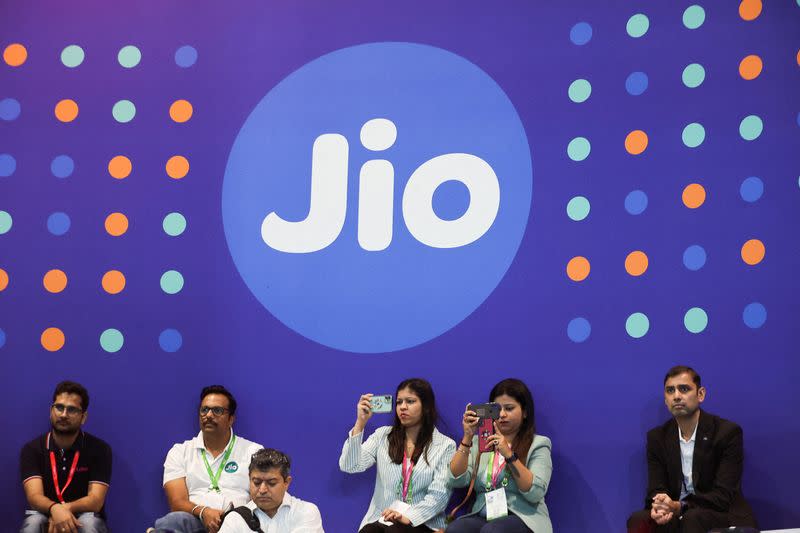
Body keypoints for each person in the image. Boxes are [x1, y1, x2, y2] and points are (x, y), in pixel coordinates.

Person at [627, 366, 758, 533]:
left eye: (684, 389)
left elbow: (723, 496)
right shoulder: (657, 438)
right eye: (670, 391)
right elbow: (656, 488)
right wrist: (660, 505)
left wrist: (680, 506)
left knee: (693, 518)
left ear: (700, 394)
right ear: (665, 400)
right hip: (677, 514)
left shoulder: (727, 433)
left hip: (720, 513)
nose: (676, 396)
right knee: (639, 520)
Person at [339, 378, 456, 532]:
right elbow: (350, 466)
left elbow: (439, 495)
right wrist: (360, 423)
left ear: (426, 406)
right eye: (399, 402)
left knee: (394, 531)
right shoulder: (383, 436)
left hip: (422, 522)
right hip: (382, 519)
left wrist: (408, 516)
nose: (403, 407)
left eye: (410, 401)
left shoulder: (445, 445)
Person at [150, 385, 263, 533]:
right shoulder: (180, 452)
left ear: (231, 419)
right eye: (204, 410)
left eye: (217, 410)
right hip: (196, 521)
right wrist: (204, 512)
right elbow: (177, 503)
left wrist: (232, 519)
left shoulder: (253, 452)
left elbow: (263, 498)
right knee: (173, 520)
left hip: (239, 523)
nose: (209, 415)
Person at [446, 378, 552, 533]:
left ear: (525, 412)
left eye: (509, 408)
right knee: (456, 529)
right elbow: (457, 479)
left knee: (493, 531)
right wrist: (467, 437)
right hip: (484, 514)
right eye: (497, 409)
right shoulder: (479, 442)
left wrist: (508, 454)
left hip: (523, 516)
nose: (502, 415)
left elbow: (535, 493)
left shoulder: (539, 444)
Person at [19, 380, 112, 533]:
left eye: (72, 410)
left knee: (89, 523)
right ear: (51, 411)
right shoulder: (32, 449)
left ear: (83, 417)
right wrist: (54, 509)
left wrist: (64, 510)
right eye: (59, 407)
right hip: (44, 512)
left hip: (85, 514)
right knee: (34, 522)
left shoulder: (100, 449)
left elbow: (96, 501)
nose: (63, 414)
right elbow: (34, 496)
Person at [217, 448, 324, 532]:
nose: (262, 490)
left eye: (271, 483)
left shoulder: (306, 512)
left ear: (286, 482)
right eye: (257, 482)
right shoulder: (235, 519)